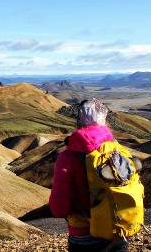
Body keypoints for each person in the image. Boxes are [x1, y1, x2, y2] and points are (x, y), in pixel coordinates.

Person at [49, 99, 128, 252]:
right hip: (119, 230)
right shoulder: (117, 150)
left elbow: (59, 209)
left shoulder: (67, 157)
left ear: (78, 121)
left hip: (84, 237)